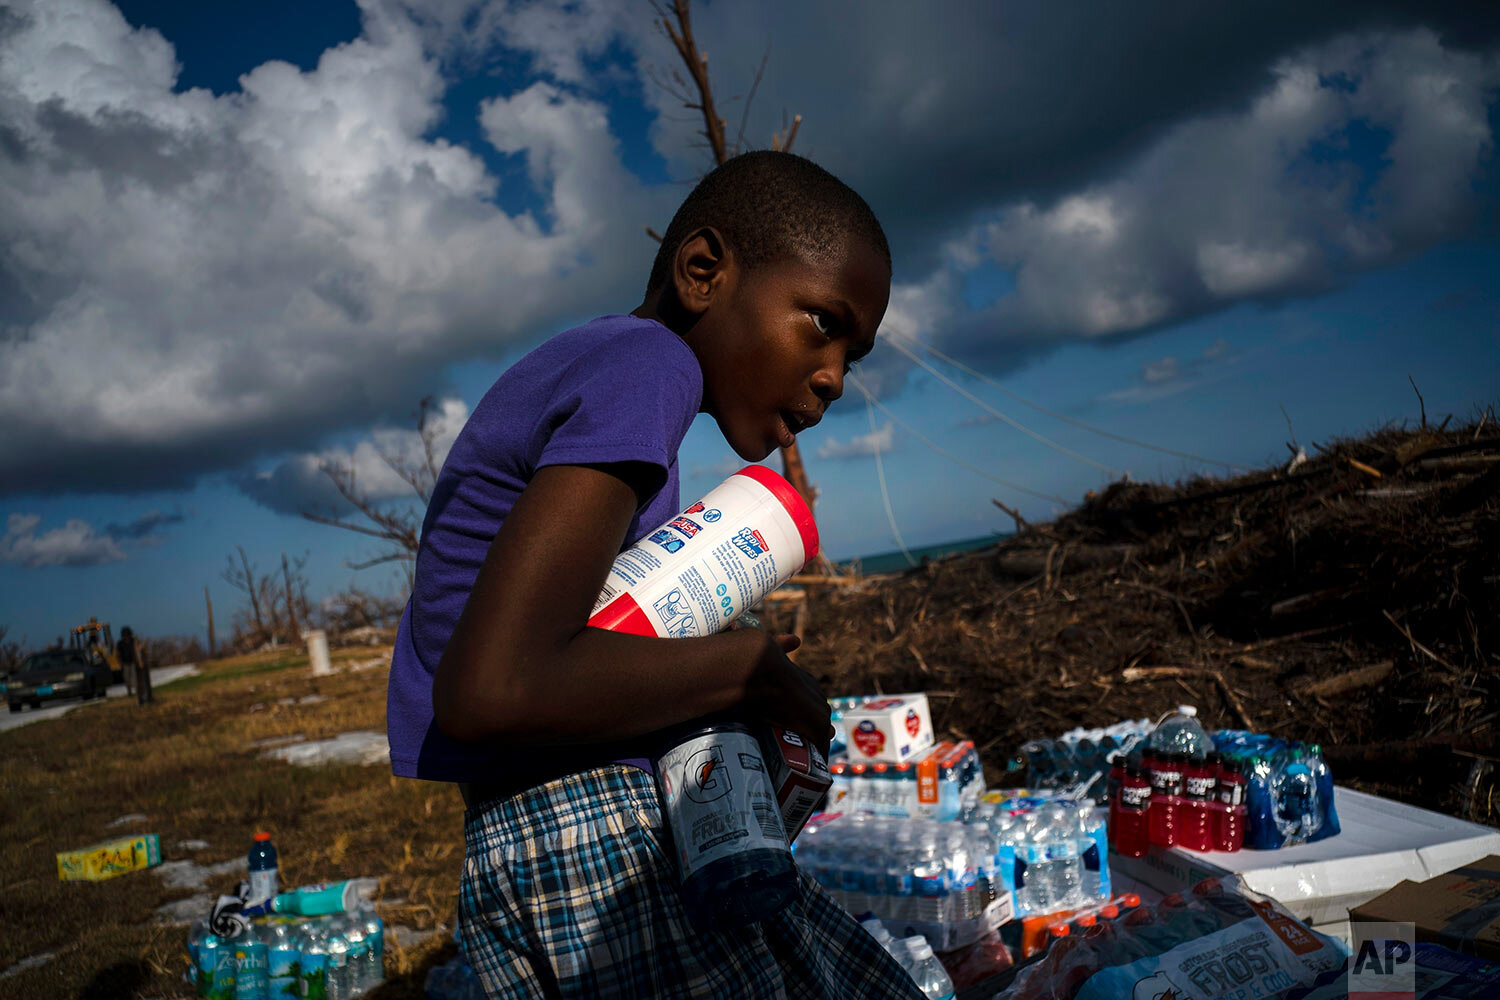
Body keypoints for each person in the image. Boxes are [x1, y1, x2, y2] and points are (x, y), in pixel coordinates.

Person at [387, 151, 918, 999]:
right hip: (582, 830)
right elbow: (495, 687)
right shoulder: (648, 363)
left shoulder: (607, 369)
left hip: (553, 819)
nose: (834, 378)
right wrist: (749, 672)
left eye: (853, 354)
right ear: (703, 272)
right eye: (823, 322)